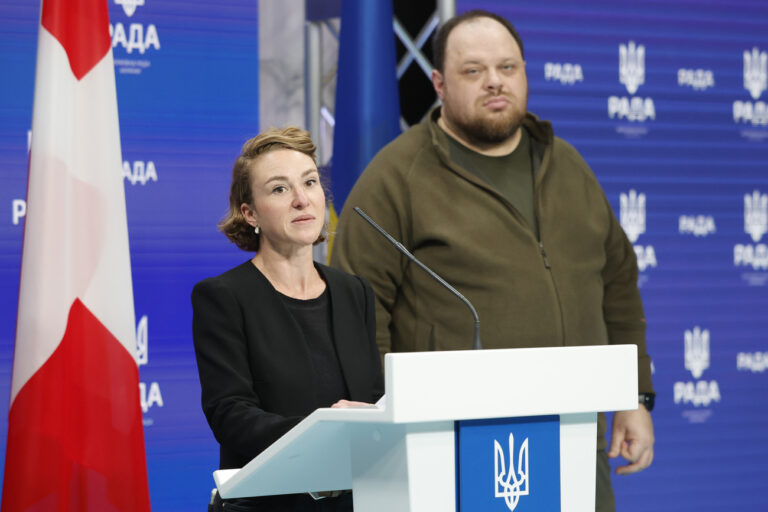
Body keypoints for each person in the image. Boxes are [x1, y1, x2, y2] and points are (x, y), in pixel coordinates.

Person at [330, 10, 654, 512]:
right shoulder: (397, 177)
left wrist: (634, 396)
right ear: (438, 82)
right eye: (473, 70)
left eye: (508, 67)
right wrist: (383, 427)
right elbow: (356, 312)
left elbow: (618, 283)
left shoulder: (565, 164)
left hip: (573, 440)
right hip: (452, 451)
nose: (495, 82)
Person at [192, 127, 383, 511]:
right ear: (250, 213)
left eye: (309, 182)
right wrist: (325, 428)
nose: (301, 199)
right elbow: (232, 417)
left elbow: (374, 399)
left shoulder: (354, 292)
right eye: (279, 189)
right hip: (273, 503)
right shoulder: (224, 297)